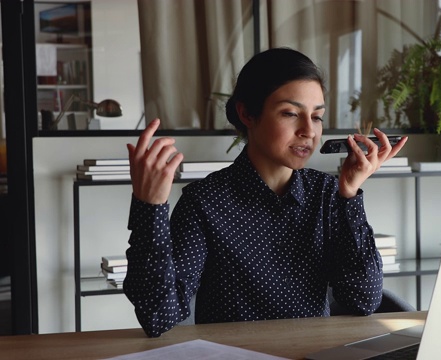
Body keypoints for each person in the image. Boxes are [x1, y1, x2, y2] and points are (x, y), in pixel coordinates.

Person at [123, 47, 408, 337]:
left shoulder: (327, 194)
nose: (308, 130)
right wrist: (150, 207)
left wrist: (350, 195)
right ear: (247, 113)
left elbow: (364, 300)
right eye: (290, 113)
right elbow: (158, 317)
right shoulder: (204, 202)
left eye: (317, 117)